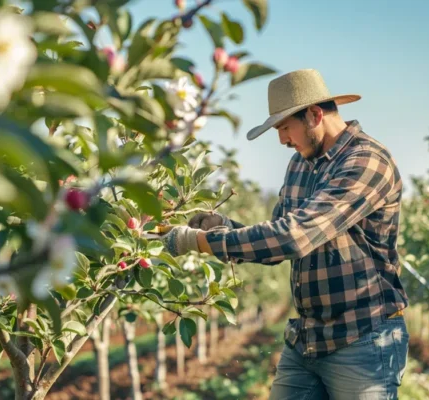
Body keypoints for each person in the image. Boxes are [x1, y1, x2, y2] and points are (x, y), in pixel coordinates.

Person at [160, 68, 410, 399]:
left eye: (283, 127)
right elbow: (276, 243)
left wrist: (195, 243)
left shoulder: (367, 161)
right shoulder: (300, 164)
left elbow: (294, 236)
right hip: (307, 338)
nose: (282, 140)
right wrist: (215, 226)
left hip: (362, 338)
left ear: (315, 115)